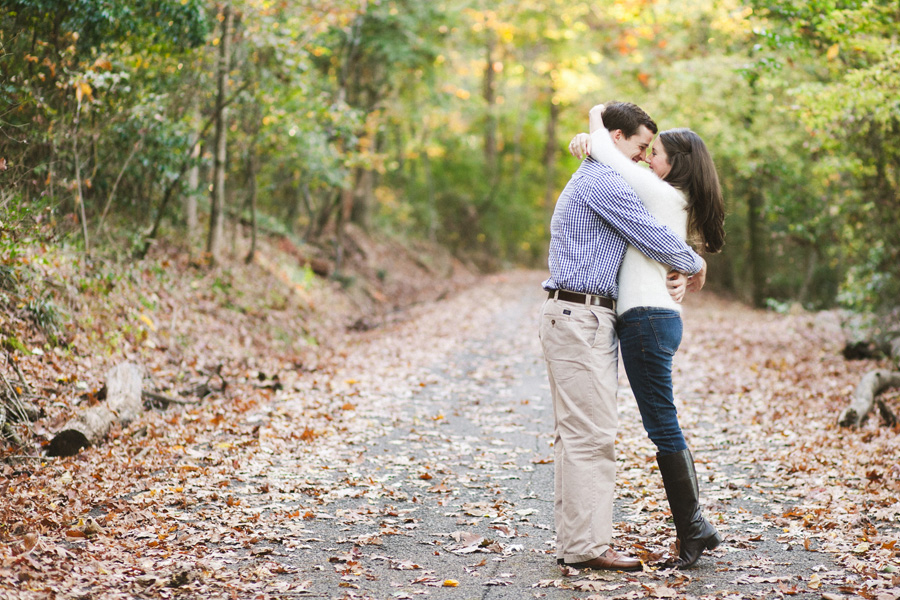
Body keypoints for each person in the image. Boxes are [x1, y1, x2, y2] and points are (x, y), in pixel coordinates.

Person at [540, 101, 707, 572]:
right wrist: (695, 264)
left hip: (584, 315)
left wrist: (693, 261)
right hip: (577, 315)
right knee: (589, 436)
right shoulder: (603, 181)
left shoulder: (602, 172)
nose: (642, 156)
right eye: (639, 146)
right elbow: (649, 233)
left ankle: (581, 542)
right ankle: (588, 547)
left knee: (584, 434)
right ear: (616, 138)